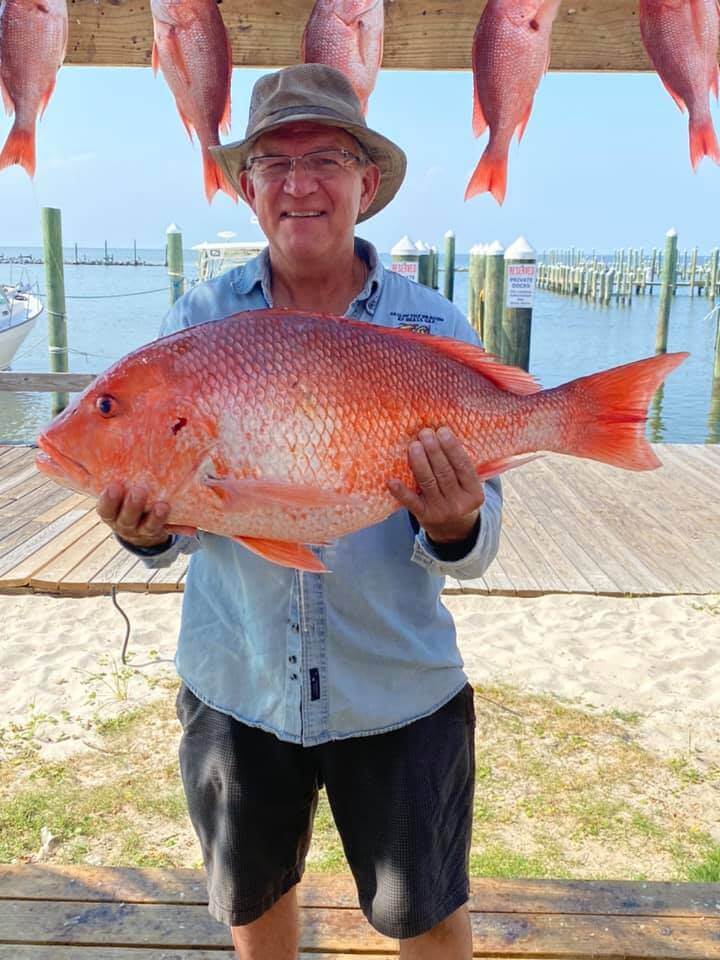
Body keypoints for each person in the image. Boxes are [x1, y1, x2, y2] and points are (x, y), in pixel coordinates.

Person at [97, 64, 502, 960]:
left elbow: (479, 544)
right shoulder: (197, 321)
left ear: (366, 181)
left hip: (396, 689)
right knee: (253, 896)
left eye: (325, 157)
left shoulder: (432, 328)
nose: (299, 183)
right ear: (246, 189)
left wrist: (453, 522)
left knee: (423, 911)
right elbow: (177, 525)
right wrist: (144, 529)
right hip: (238, 679)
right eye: (272, 163)